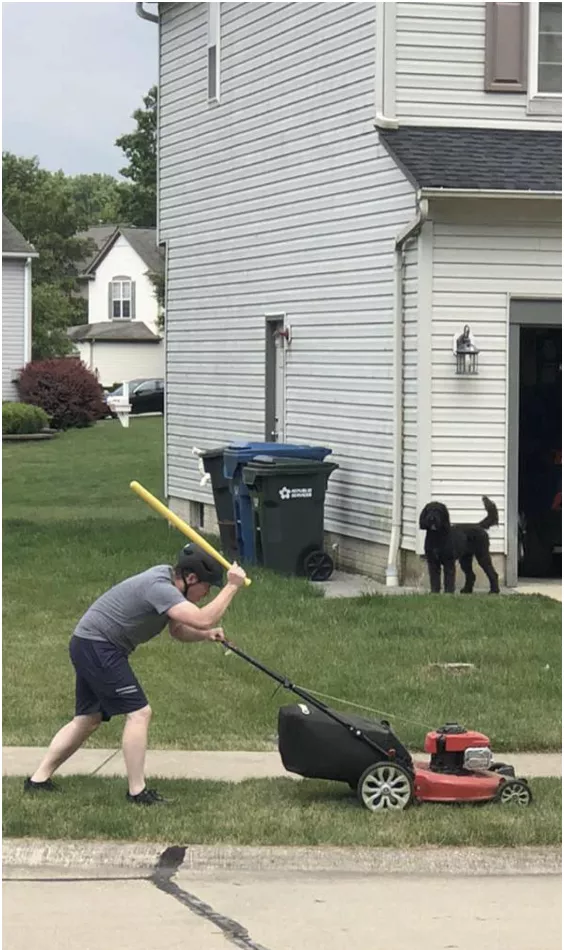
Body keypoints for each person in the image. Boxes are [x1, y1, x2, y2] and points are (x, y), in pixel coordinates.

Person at [25, 544, 247, 805]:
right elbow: (202, 618)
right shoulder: (160, 587)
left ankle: (37, 781)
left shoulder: (170, 588)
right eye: (207, 588)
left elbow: (179, 630)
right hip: (99, 646)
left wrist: (206, 636)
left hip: (89, 643)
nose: (206, 593)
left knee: (87, 719)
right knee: (140, 713)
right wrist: (232, 587)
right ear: (191, 579)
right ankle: (137, 792)